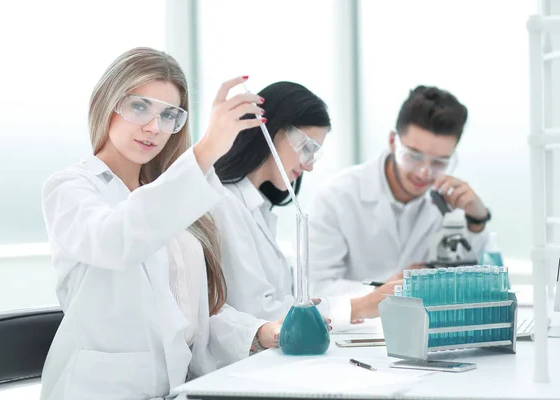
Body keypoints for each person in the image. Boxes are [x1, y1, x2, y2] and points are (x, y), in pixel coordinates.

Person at [40, 47, 280, 400]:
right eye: (140, 106)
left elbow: (185, 316)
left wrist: (261, 331)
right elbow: (115, 240)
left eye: (169, 115)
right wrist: (205, 151)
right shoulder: (70, 188)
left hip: (174, 387)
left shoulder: (167, 197)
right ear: (107, 103)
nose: (154, 127)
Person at [308, 85, 491, 320]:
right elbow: (317, 288)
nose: (424, 172)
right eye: (414, 156)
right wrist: (389, 290)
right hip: (350, 334)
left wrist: (476, 220)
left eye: (439, 162)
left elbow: (471, 279)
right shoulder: (335, 197)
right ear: (393, 141)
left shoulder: (449, 201)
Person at [212, 82, 356, 329]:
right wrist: (358, 306)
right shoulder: (225, 202)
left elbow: (280, 301)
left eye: (314, 154)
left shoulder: (259, 208)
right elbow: (259, 311)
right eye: (307, 148)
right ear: (271, 130)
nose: (309, 165)